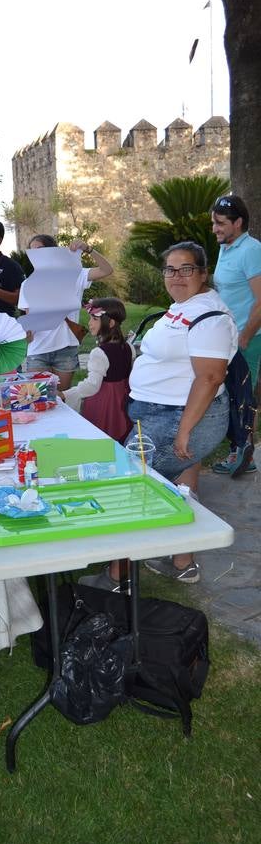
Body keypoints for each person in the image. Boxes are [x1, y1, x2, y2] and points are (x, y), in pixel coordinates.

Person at [81, 242, 237, 591]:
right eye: (170, 269)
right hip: (163, 413)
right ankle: (183, 563)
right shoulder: (184, 306)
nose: (176, 276)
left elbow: (211, 377)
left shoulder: (209, 315)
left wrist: (184, 432)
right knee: (175, 491)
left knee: (131, 490)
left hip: (176, 418)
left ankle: (118, 576)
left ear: (203, 272)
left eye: (186, 269)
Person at [17, 235, 114, 390]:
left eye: (41, 250)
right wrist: (28, 334)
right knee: (37, 398)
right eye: (33, 251)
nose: (37, 255)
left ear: (53, 251)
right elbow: (31, 320)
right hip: (37, 350)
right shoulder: (27, 284)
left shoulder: (75, 275)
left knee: (62, 398)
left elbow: (107, 270)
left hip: (66, 349)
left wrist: (88, 249)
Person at [210, 195, 261, 474]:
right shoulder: (226, 247)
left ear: (238, 223)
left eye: (220, 223)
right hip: (229, 337)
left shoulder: (251, 250)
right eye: (213, 223)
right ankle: (238, 451)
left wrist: (245, 336)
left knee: (243, 398)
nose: (215, 228)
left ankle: (243, 457)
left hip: (249, 339)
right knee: (232, 395)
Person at [62, 297, 133, 442]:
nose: (89, 323)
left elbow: (92, 386)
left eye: (94, 319)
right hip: (123, 402)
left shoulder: (99, 353)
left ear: (111, 323)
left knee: (101, 436)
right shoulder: (128, 347)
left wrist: (65, 394)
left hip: (104, 404)